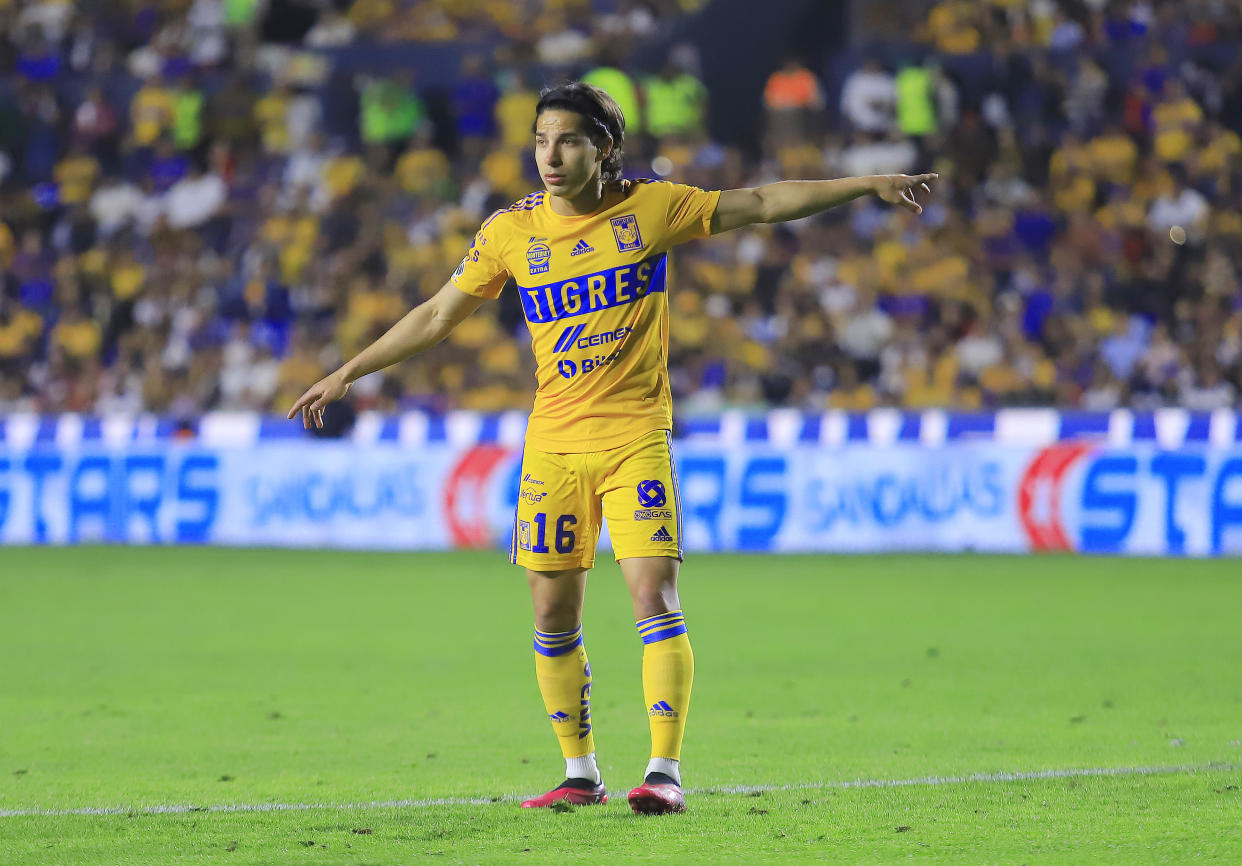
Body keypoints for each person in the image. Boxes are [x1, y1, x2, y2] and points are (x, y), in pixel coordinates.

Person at [287, 82, 935, 815]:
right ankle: (580, 773)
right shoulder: (510, 232)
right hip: (554, 450)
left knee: (652, 595)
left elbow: (759, 202)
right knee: (551, 614)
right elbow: (438, 313)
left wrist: (867, 185)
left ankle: (664, 771)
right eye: (540, 141)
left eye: (567, 140)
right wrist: (346, 372)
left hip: (635, 439)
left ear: (605, 148)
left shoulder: (653, 209)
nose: (551, 156)